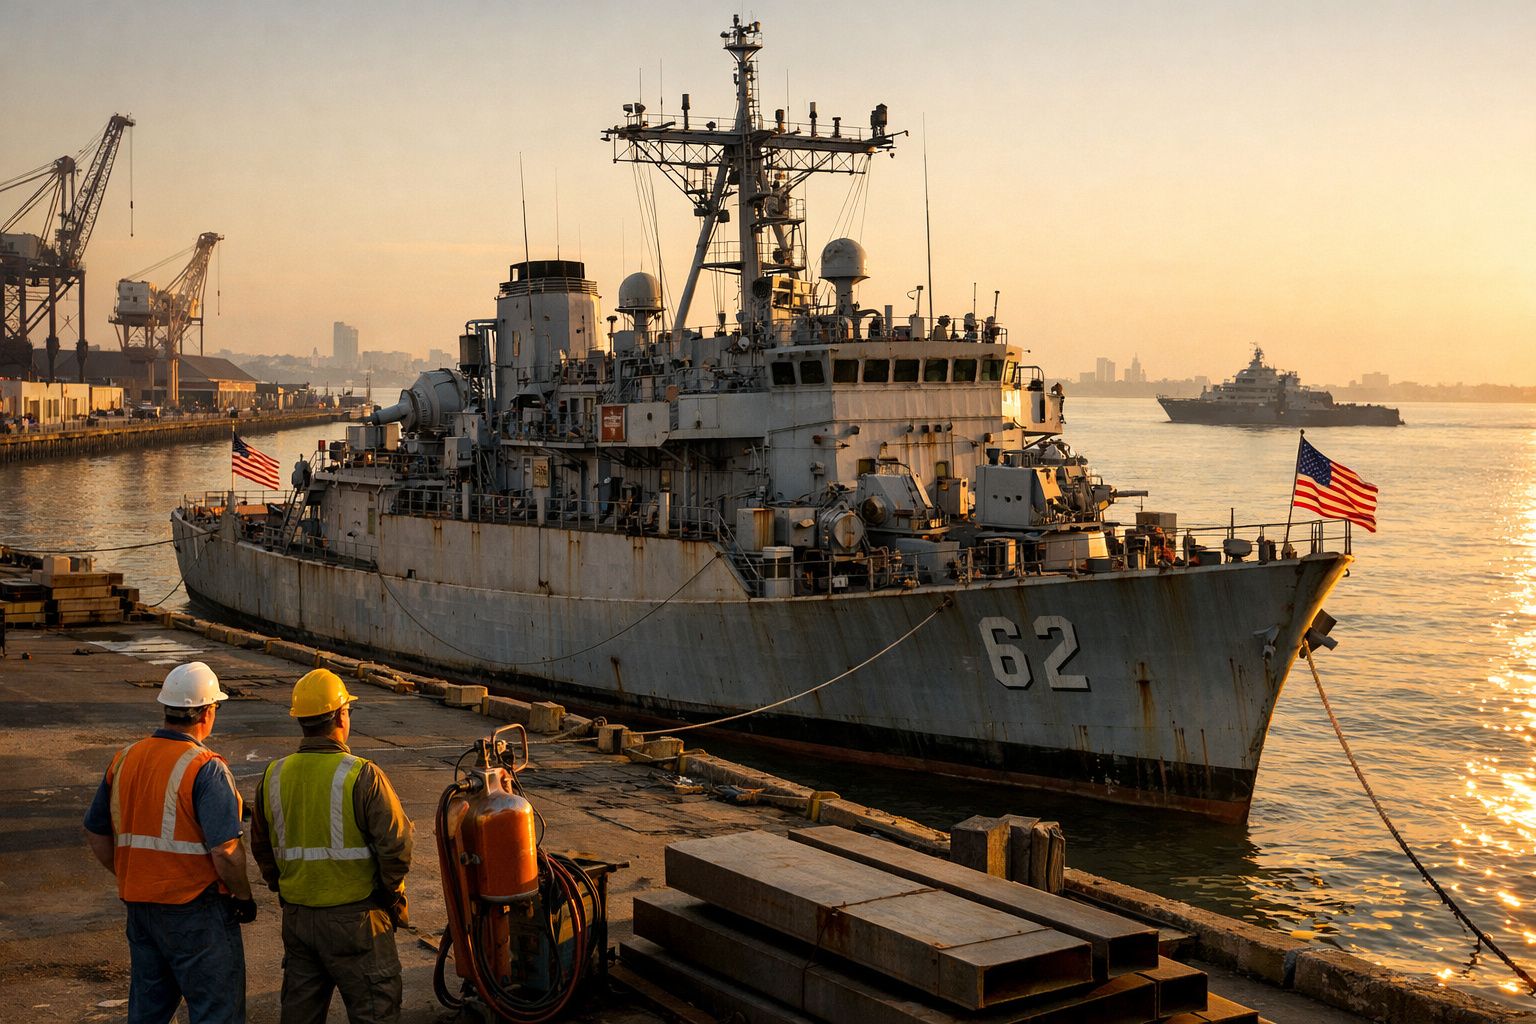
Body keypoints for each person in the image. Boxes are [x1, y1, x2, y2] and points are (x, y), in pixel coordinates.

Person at [82, 661, 256, 1024]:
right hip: (196, 909)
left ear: (167, 709)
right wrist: (243, 897)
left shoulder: (125, 758)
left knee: (149, 1012)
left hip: (141, 907)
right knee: (216, 1012)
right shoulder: (206, 767)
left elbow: (96, 832)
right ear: (207, 712)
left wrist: (131, 873)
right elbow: (225, 851)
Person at [251, 669, 413, 1024]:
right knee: (375, 1012)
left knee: (300, 1016)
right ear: (341, 716)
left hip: (298, 919)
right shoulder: (363, 775)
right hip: (358, 921)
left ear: (301, 721)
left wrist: (286, 887)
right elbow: (397, 846)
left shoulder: (274, 775)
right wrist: (388, 894)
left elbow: (262, 847)